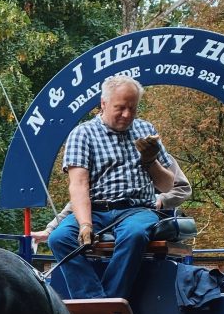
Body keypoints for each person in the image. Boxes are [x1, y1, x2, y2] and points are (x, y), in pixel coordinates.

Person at [44, 74, 190, 300]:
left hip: (137, 209)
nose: (127, 114)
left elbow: (166, 184)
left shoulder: (146, 131)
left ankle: (110, 303)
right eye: (120, 108)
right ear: (103, 104)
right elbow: (78, 185)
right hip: (96, 209)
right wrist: (85, 224)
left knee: (134, 234)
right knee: (59, 238)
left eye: (133, 108)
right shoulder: (83, 133)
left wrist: (150, 161)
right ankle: (94, 301)